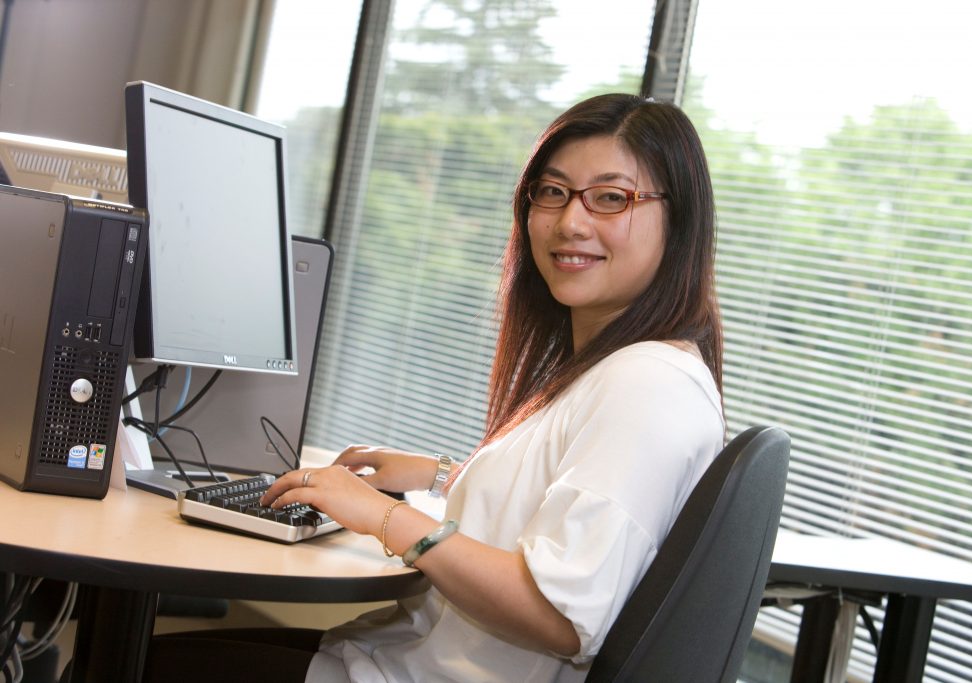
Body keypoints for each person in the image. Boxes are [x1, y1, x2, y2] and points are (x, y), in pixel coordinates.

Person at [143, 93, 726, 683]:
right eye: (551, 192)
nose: (570, 221)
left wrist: (380, 517)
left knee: (137, 664)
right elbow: (556, 503)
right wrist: (440, 475)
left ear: (678, 223)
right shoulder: (616, 368)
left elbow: (557, 616)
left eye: (610, 198)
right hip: (392, 660)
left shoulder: (648, 385)